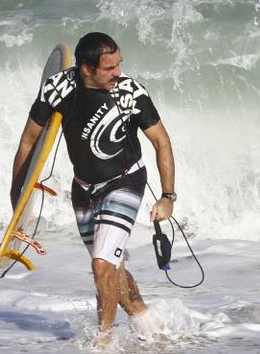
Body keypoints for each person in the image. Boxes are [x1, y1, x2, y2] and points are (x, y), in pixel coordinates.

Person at [10, 32, 176, 336]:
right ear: (87, 69)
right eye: (109, 68)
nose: (118, 73)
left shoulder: (130, 93)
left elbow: (161, 142)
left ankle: (104, 343)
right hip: (83, 190)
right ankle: (152, 328)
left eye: (119, 64)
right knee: (112, 271)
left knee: (101, 266)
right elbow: (28, 143)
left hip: (125, 182)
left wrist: (167, 196)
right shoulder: (58, 88)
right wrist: (17, 199)